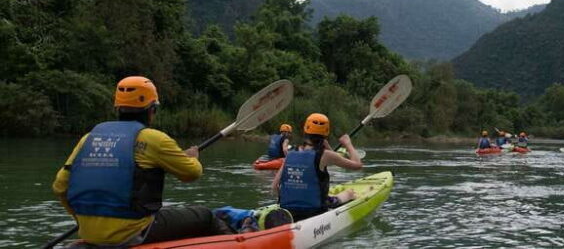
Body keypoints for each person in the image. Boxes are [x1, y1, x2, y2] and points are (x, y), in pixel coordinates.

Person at [52, 76, 230, 246]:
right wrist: (192, 158)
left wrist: (83, 222)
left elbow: (60, 186)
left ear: (118, 108)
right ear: (152, 109)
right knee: (205, 215)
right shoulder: (155, 139)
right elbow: (192, 173)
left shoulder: (88, 138)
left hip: (89, 233)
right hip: (133, 232)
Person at [272, 113, 363, 222]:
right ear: (326, 133)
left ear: (305, 130)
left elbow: (274, 186)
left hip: (288, 211)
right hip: (315, 211)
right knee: (349, 193)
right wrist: (348, 144)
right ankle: (348, 195)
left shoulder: (290, 153)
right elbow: (357, 165)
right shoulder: (326, 155)